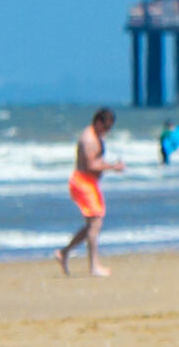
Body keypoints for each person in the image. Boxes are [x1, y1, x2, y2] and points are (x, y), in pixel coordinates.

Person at [54, 108, 126, 277]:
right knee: (95, 223)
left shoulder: (97, 136)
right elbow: (90, 165)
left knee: (92, 225)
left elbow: (97, 160)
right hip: (82, 182)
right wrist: (112, 167)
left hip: (91, 183)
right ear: (98, 123)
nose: (107, 131)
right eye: (106, 127)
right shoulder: (88, 139)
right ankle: (93, 266)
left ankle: (64, 253)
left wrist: (110, 164)